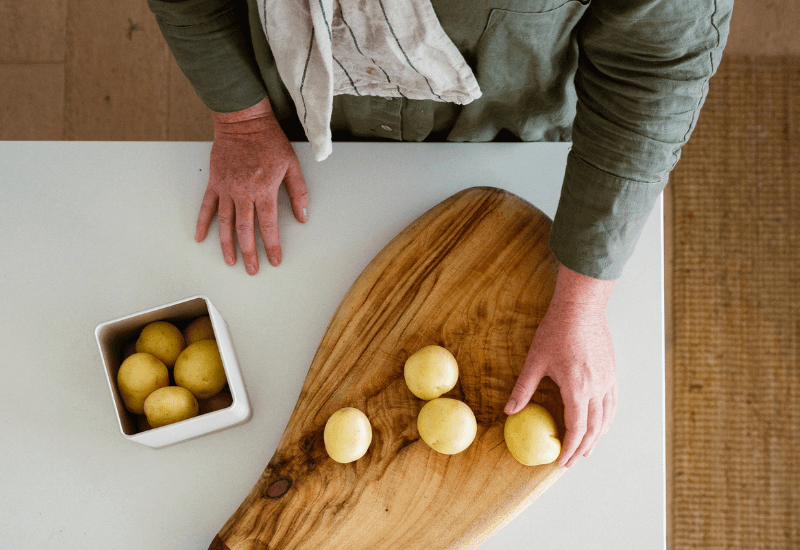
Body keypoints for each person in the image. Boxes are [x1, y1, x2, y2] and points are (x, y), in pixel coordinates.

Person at [146, 0, 732, 468]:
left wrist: (581, 303)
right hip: (305, 115)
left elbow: (655, 62)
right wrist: (242, 119)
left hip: (512, 137)